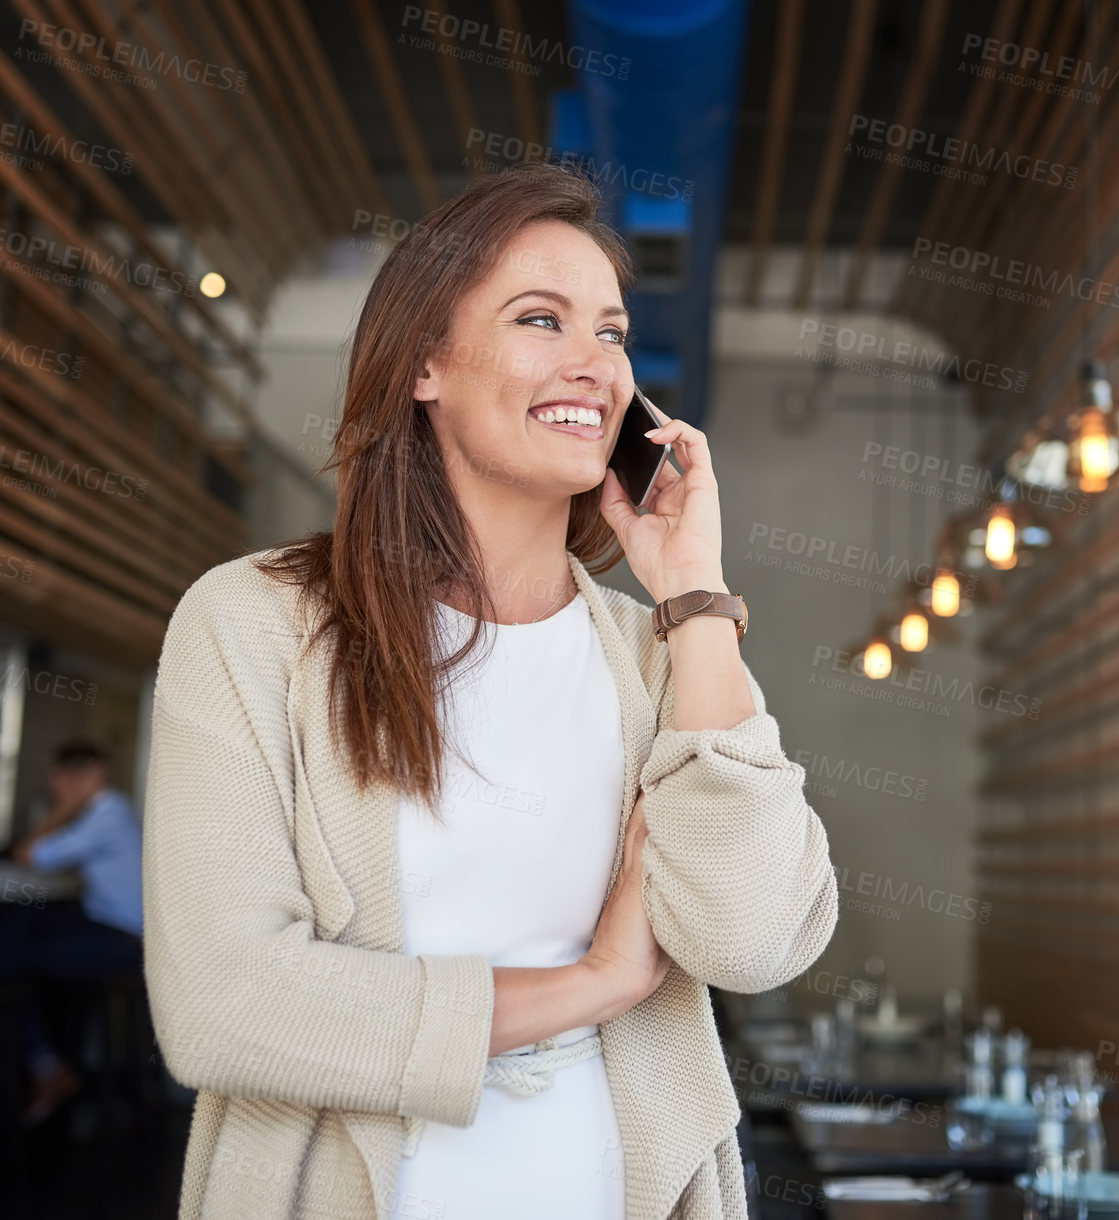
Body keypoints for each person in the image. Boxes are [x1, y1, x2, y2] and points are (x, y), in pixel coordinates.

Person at [142, 161, 838, 1220]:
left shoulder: (658, 652)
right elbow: (224, 1006)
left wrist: (695, 595)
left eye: (609, 332)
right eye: (539, 319)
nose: (592, 365)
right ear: (425, 362)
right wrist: (596, 983)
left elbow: (748, 939)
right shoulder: (254, 624)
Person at [1, 739, 144, 1125]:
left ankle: (46, 1067)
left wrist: (68, 806)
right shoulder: (109, 811)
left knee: (13, 956)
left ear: (71, 778)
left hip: (125, 943)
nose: (53, 786)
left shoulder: (107, 814)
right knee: (17, 923)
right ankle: (48, 1064)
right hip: (106, 921)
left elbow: (26, 854)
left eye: (56, 779)